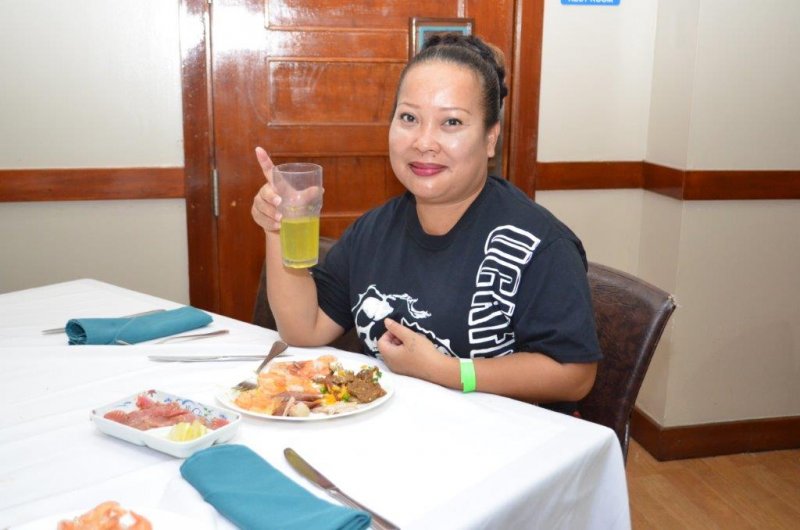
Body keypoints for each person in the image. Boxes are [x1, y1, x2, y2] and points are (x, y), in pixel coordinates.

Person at [251, 34, 601, 414]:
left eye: (451, 122)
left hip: (500, 438)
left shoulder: (540, 245)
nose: (424, 141)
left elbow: (575, 375)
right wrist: (278, 225)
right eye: (409, 118)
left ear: (490, 138)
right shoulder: (373, 231)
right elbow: (303, 330)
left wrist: (446, 371)